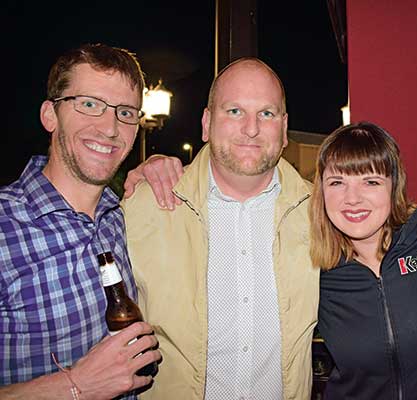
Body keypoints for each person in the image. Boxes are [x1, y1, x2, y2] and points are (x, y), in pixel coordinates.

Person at [121, 57, 319, 399]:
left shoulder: (320, 213)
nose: (252, 128)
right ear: (206, 122)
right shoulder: (144, 209)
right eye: (234, 111)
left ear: (285, 130)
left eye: (267, 114)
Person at [0, 43, 161, 399]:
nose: (109, 127)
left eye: (125, 112)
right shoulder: (5, 227)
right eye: (89, 104)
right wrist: (75, 386)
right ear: (50, 115)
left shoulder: (120, 217)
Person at [310, 122, 417, 399]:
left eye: (370, 181)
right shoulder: (314, 270)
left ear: (394, 185)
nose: (352, 199)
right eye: (337, 182)